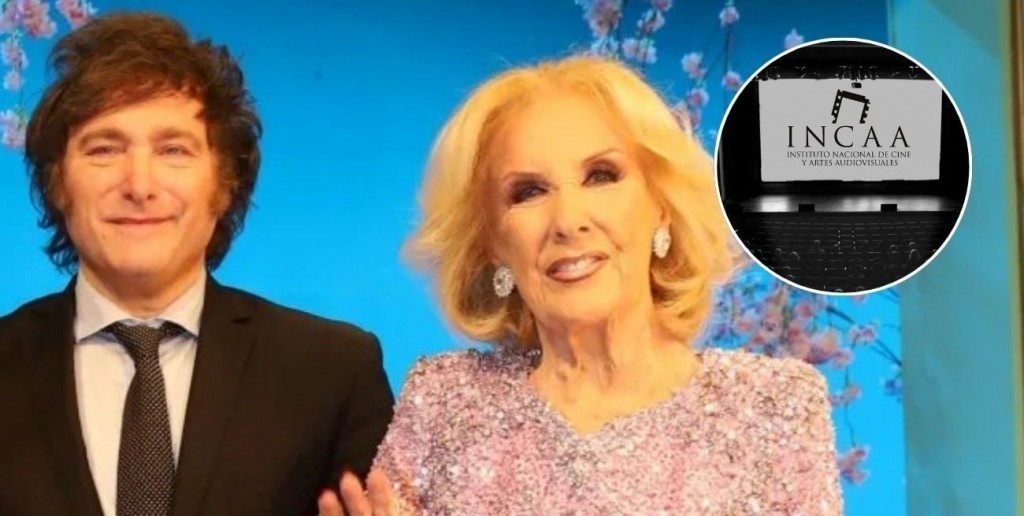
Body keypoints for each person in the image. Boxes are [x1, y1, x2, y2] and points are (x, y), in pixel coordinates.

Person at [320, 55, 842, 515]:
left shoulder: (774, 406)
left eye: (601, 176)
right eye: (528, 192)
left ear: (662, 204)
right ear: (492, 242)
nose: (568, 221)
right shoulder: (444, 401)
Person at [0, 12, 394, 516]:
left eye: (173, 150)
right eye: (104, 149)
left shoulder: (333, 371)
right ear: (57, 183)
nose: (139, 185)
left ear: (225, 184)